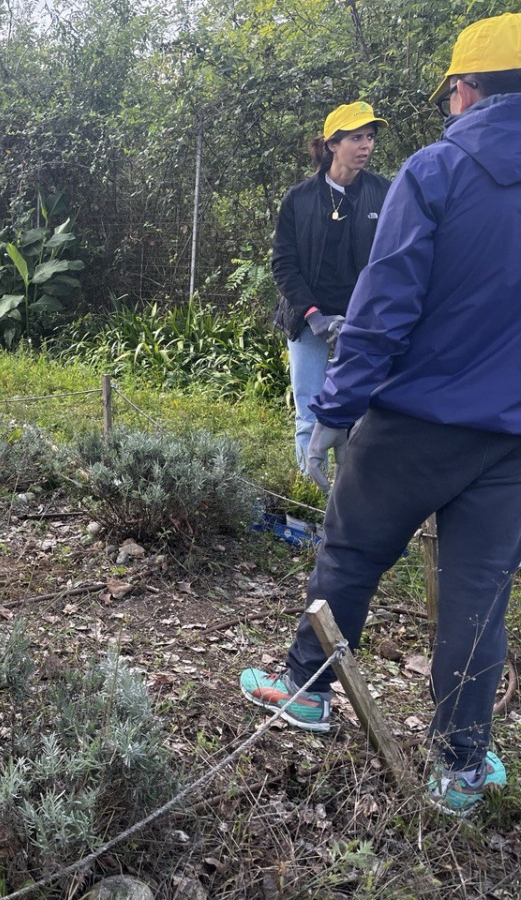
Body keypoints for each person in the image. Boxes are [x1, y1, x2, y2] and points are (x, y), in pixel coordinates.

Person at [241, 12, 521, 817]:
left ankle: (307, 690)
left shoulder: (434, 174)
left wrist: (336, 407)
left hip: (414, 420)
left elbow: (383, 306)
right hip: (508, 441)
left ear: (465, 90)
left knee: (352, 551)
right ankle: (462, 770)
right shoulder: (351, 188)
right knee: (479, 594)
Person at [271, 102, 390, 474]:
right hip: (308, 322)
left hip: (361, 325)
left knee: (358, 415)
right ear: (333, 144)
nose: (366, 145)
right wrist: (313, 315)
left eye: (370, 137)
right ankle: (309, 502)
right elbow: (283, 265)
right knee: (309, 412)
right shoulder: (299, 199)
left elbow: (392, 262)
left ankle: (349, 503)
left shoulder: (385, 193)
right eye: (356, 138)